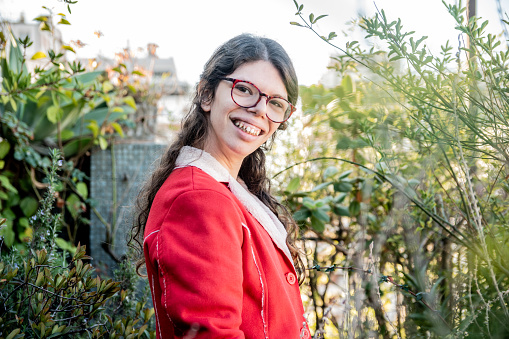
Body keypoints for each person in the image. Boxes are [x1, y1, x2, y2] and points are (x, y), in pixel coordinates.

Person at [130, 33, 310, 339]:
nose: (260, 110)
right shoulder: (199, 198)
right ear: (206, 94)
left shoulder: (228, 189)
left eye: (276, 103)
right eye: (244, 89)